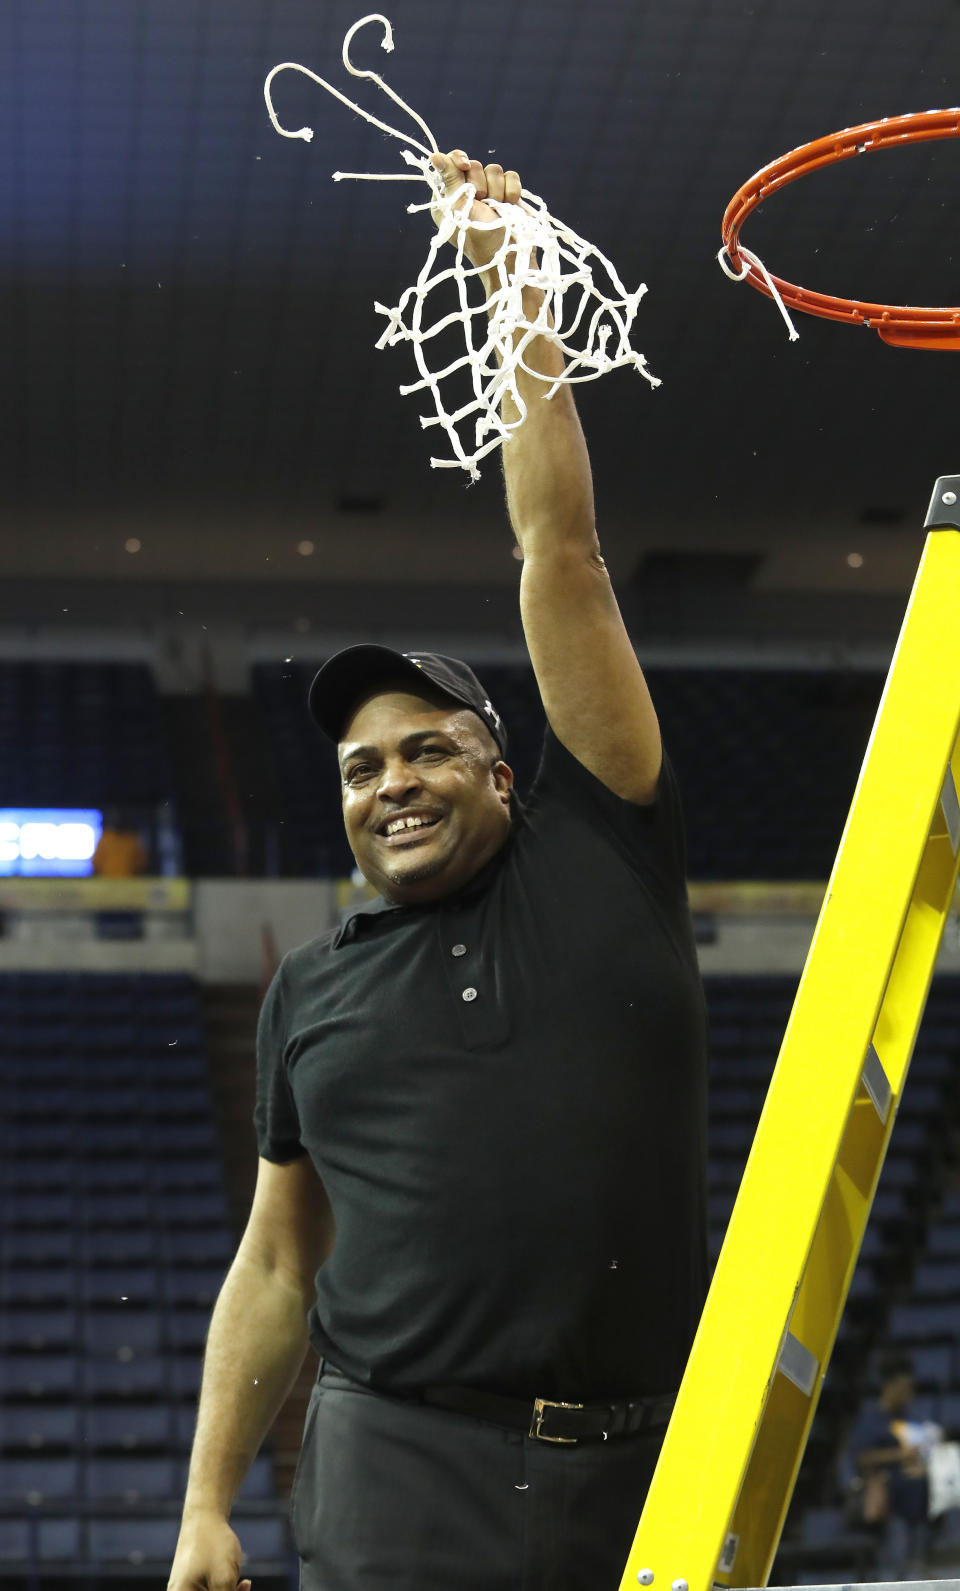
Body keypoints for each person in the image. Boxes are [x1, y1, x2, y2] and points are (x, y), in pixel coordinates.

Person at [168, 151, 709, 1591]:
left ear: (504, 768)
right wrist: (207, 1499)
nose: (391, 779)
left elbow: (562, 552)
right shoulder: (314, 993)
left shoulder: (601, 847)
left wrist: (507, 278)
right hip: (394, 1467)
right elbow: (279, 1264)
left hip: (649, 1463)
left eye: (426, 747)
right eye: (360, 766)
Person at [845, 1351, 940, 1579]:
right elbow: (861, 1457)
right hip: (890, 1510)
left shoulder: (910, 1418)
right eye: (905, 1388)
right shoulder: (872, 1419)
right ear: (890, 1386)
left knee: (916, 1572)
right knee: (892, 1570)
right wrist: (900, 1454)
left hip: (918, 1506)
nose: (910, 1394)